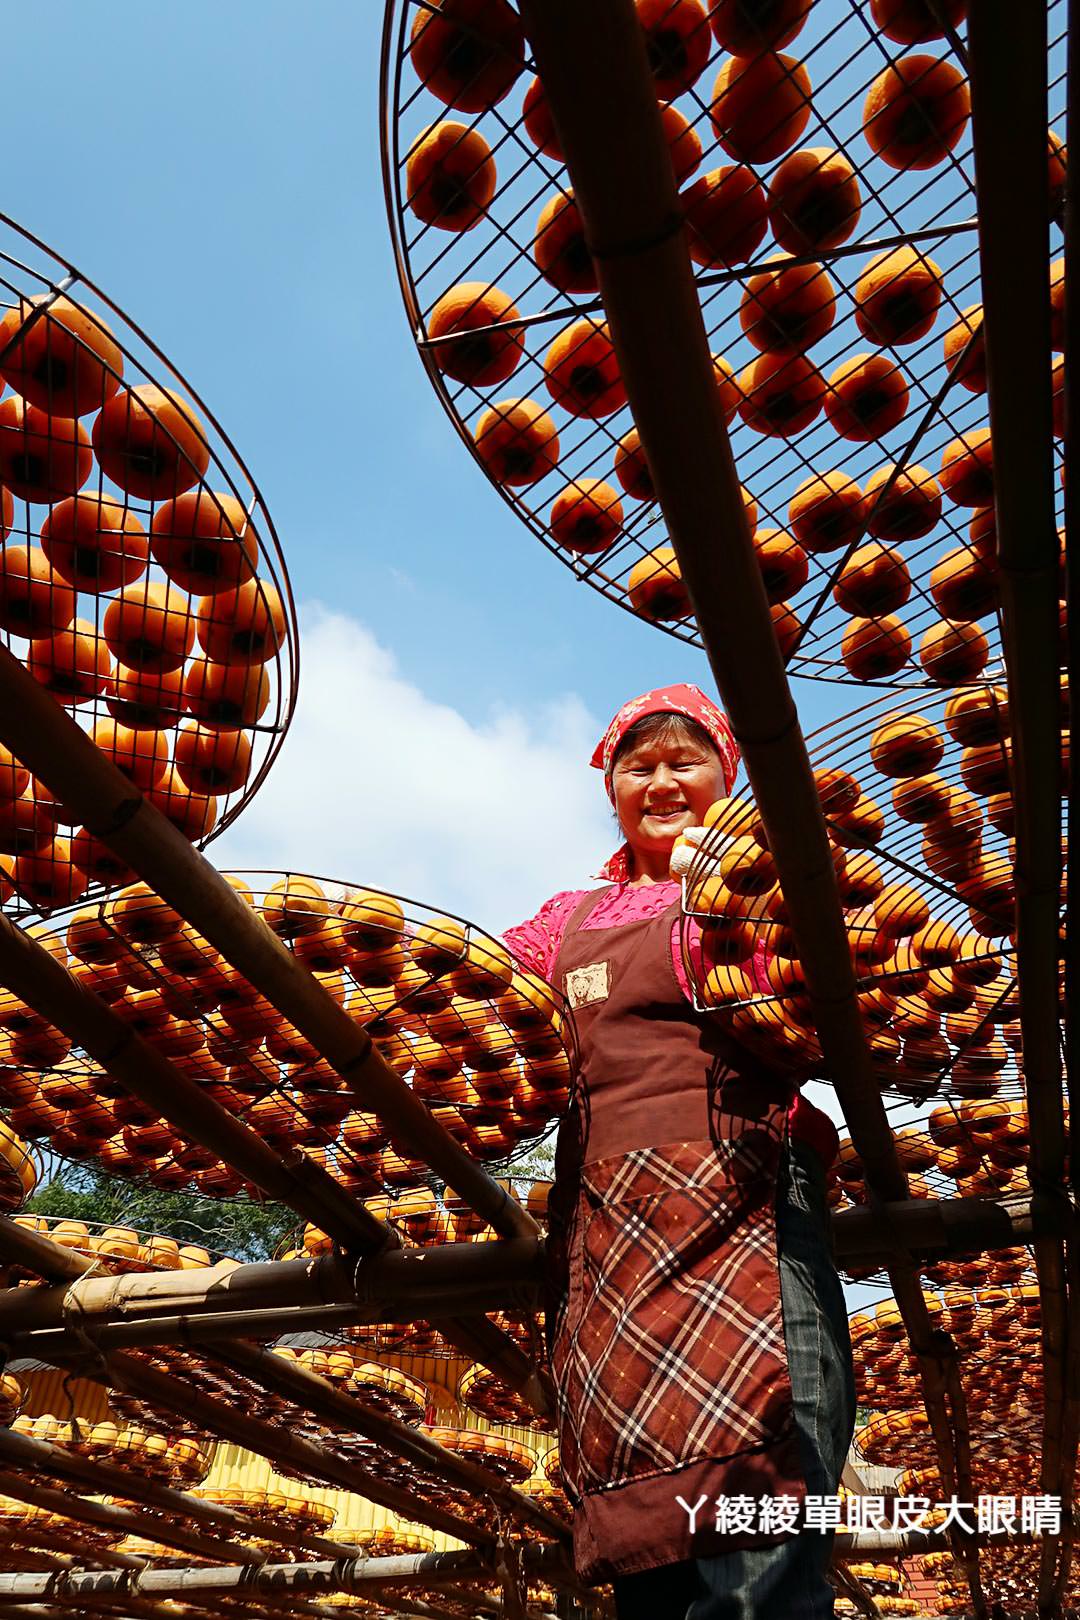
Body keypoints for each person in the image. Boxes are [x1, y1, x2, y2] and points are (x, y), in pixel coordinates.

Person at [504, 684, 856, 1620]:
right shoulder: (565, 920)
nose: (660, 783)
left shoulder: (768, 880)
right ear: (611, 788)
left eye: (684, 761)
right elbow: (485, 1005)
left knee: (761, 1520)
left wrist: (738, 879)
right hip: (610, 1248)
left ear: (726, 776)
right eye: (638, 765)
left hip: (739, 1214)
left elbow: (836, 1000)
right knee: (649, 1541)